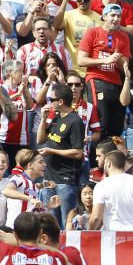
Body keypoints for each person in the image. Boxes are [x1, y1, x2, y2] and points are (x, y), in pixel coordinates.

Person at [77, 4, 131, 140]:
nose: (116, 19)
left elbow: (125, 66)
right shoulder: (93, 32)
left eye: (118, 16)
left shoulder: (123, 37)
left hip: (116, 83)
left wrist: (119, 60)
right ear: (104, 16)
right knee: (101, 124)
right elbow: (81, 61)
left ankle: (113, 159)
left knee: (116, 128)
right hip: (97, 79)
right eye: (112, 15)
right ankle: (97, 159)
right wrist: (105, 61)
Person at [37, 83, 85, 225]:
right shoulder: (56, 118)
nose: (49, 102)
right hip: (49, 178)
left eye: (51, 99)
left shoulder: (75, 121)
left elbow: (78, 153)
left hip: (65, 180)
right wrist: (44, 119)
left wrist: (51, 151)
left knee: (66, 222)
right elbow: (40, 139)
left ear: (61, 101)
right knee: (49, 222)